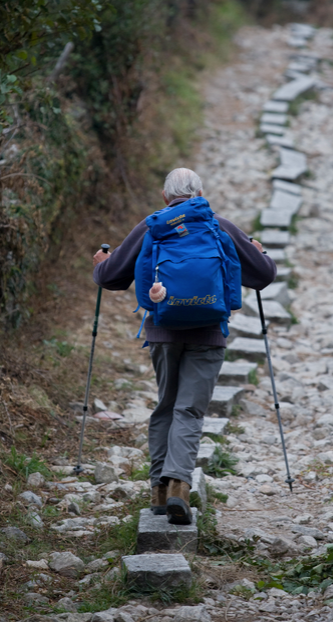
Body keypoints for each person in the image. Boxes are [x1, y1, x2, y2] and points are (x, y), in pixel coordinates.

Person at [93, 167, 276, 523]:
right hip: (209, 332)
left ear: (166, 197)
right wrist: (260, 251)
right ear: (201, 194)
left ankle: (158, 491)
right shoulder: (218, 225)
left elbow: (112, 277)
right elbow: (263, 276)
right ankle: (179, 485)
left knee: (166, 406)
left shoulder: (153, 225)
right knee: (189, 410)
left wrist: (100, 263)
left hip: (163, 332)